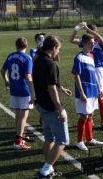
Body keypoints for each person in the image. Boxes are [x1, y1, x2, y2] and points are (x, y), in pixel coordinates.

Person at [33, 35, 72, 179]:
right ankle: (44, 171)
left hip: (41, 105)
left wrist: (61, 88)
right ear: (54, 48)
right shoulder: (50, 63)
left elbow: (47, 82)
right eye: (58, 49)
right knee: (62, 140)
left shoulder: (37, 60)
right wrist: (60, 109)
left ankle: (48, 169)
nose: (58, 52)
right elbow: (51, 87)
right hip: (50, 107)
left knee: (49, 138)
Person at [69, 23, 103, 131]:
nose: (89, 34)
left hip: (97, 70)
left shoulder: (100, 41)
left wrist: (87, 29)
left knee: (100, 97)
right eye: (87, 33)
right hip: (86, 69)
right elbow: (71, 40)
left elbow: (101, 39)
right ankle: (90, 118)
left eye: (90, 32)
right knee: (90, 97)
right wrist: (76, 29)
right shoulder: (86, 43)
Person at [0, 37, 35, 150]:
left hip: (14, 89)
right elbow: (28, 76)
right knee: (24, 115)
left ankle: (21, 134)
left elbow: (2, 70)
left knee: (18, 114)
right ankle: (18, 141)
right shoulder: (27, 58)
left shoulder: (10, 56)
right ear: (26, 46)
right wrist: (33, 92)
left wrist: (6, 81)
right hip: (24, 90)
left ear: (16, 46)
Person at [72, 33, 103, 151]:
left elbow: (94, 74)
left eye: (93, 43)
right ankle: (80, 141)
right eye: (90, 43)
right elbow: (77, 76)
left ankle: (89, 139)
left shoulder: (91, 56)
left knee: (90, 114)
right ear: (84, 44)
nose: (93, 45)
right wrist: (81, 92)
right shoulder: (78, 58)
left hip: (93, 91)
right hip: (84, 91)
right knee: (83, 116)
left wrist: (99, 88)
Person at [31, 32, 60, 126]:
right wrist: (40, 49)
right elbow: (33, 60)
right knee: (45, 96)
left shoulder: (50, 50)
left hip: (48, 72)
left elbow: (57, 58)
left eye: (43, 38)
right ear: (36, 40)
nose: (41, 39)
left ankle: (42, 120)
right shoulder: (34, 49)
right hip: (41, 73)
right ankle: (43, 119)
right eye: (39, 38)